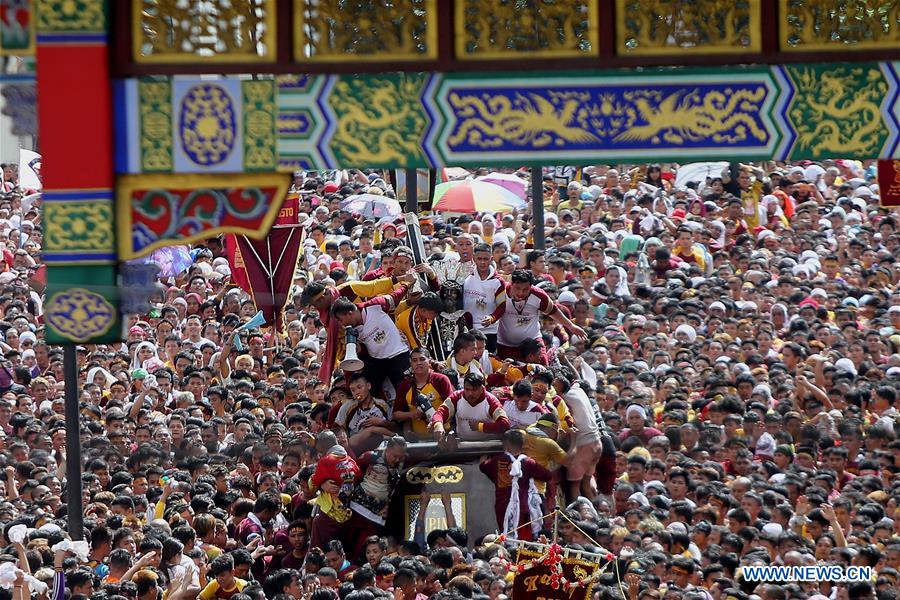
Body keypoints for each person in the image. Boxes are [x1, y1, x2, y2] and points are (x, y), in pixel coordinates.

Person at [480, 429, 552, 541]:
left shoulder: (496, 461)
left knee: (507, 536)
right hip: (524, 506)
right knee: (525, 539)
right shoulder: (528, 462)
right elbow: (547, 475)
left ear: (506, 444)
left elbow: (483, 467)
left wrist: (483, 459)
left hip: (503, 506)